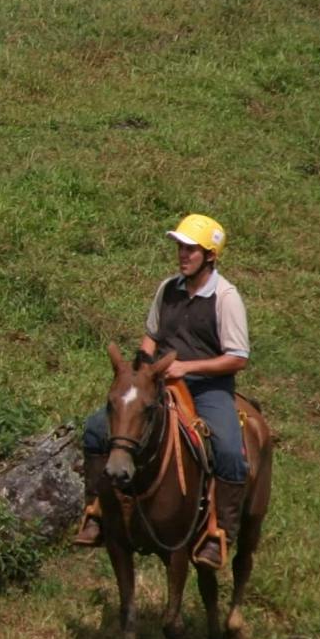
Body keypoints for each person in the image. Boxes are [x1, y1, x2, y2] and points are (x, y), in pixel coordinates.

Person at [75, 214, 251, 569]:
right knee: (97, 428)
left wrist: (187, 367)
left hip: (206, 388)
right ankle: (95, 510)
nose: (182, 255)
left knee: (231, 451)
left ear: (210, 256)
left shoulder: (226, 298)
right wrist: (143, 371)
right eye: (180, 247)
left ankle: (219, 534)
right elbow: (151, 335)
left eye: (191, 249)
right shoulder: (167, 288)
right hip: (157, 383)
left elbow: (237, 358)